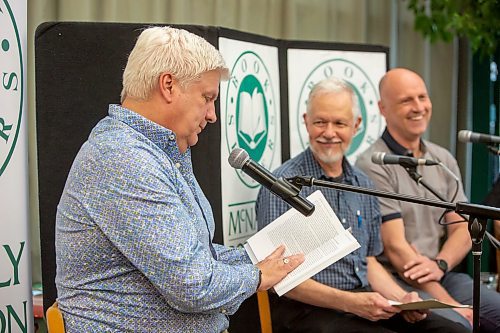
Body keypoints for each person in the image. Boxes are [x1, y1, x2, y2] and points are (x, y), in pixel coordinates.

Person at [55, 26, 304, 333]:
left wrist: (255, 258)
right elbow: (192, 284)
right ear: (169, 85)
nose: (212, 115)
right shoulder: (123, 158)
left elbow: (197, 256)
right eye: (207, 97)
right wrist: (257, 275)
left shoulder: (155, 152)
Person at [256, 77, 469, 333]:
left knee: (453, 331)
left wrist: (403, 300)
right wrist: (350, 303)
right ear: (306, 121)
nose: (329, 132)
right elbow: (279, 276)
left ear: (356, 126)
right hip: (308, 310)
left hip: (362, 299)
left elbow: (368, 261)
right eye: (320, 122)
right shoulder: (284, 184)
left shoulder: (362, 183)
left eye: (340, 123)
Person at [356, 67, 500, 332]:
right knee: (459, 325)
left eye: (422, 97)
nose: (418, 107)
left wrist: (441, 263)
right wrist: (451, 304)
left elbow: (464, 229)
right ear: (383, 108)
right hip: (399, 281)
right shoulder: (373, 164)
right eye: (406, 100)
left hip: (441, 272)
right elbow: (398, 250)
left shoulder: (442, 158)